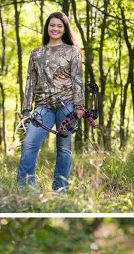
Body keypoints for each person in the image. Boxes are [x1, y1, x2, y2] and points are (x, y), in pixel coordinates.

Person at [17, 12, 85, 191]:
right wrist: (26, 109)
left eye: (59, 26)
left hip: (67, 106)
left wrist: (79, 106)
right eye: (52, 25)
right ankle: (25, 189)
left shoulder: (72, 51)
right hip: (42, 107)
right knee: (30, 144)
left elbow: (77, 79)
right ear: (47, 28)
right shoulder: (36, 53)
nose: (55, 29)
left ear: (64, 29)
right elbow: (30, 81)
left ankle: (60, 190)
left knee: (64, 149)